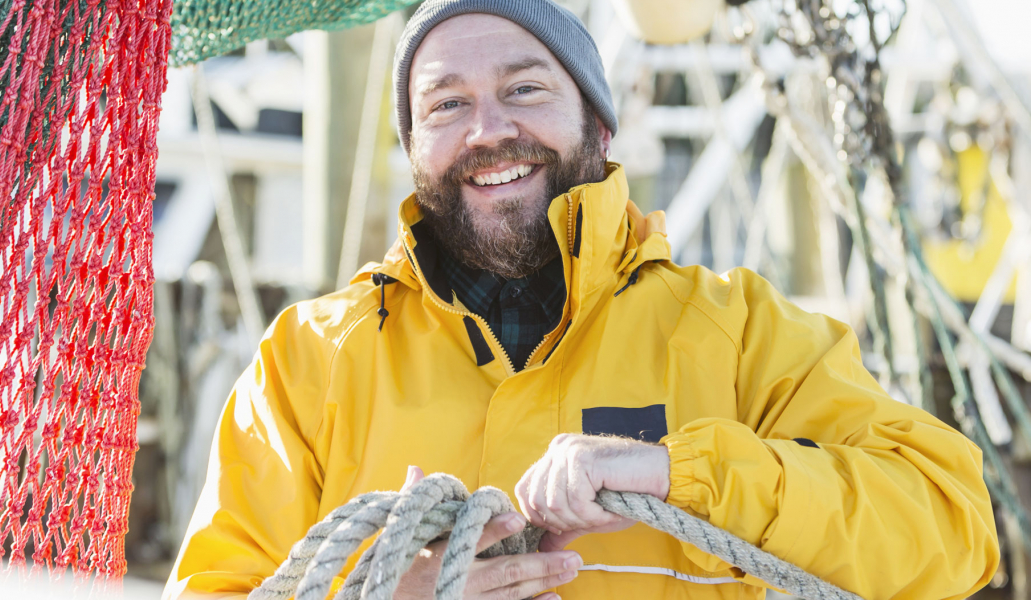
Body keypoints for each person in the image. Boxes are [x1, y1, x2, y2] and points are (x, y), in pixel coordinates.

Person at [163, 1, 1000, 598]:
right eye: (447, 105)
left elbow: (953, 528)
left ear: (601, 129)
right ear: (415, 152)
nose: (488, 130)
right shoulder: (308, 365)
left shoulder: (740, 335)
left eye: (525, 89)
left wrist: (685, 472)